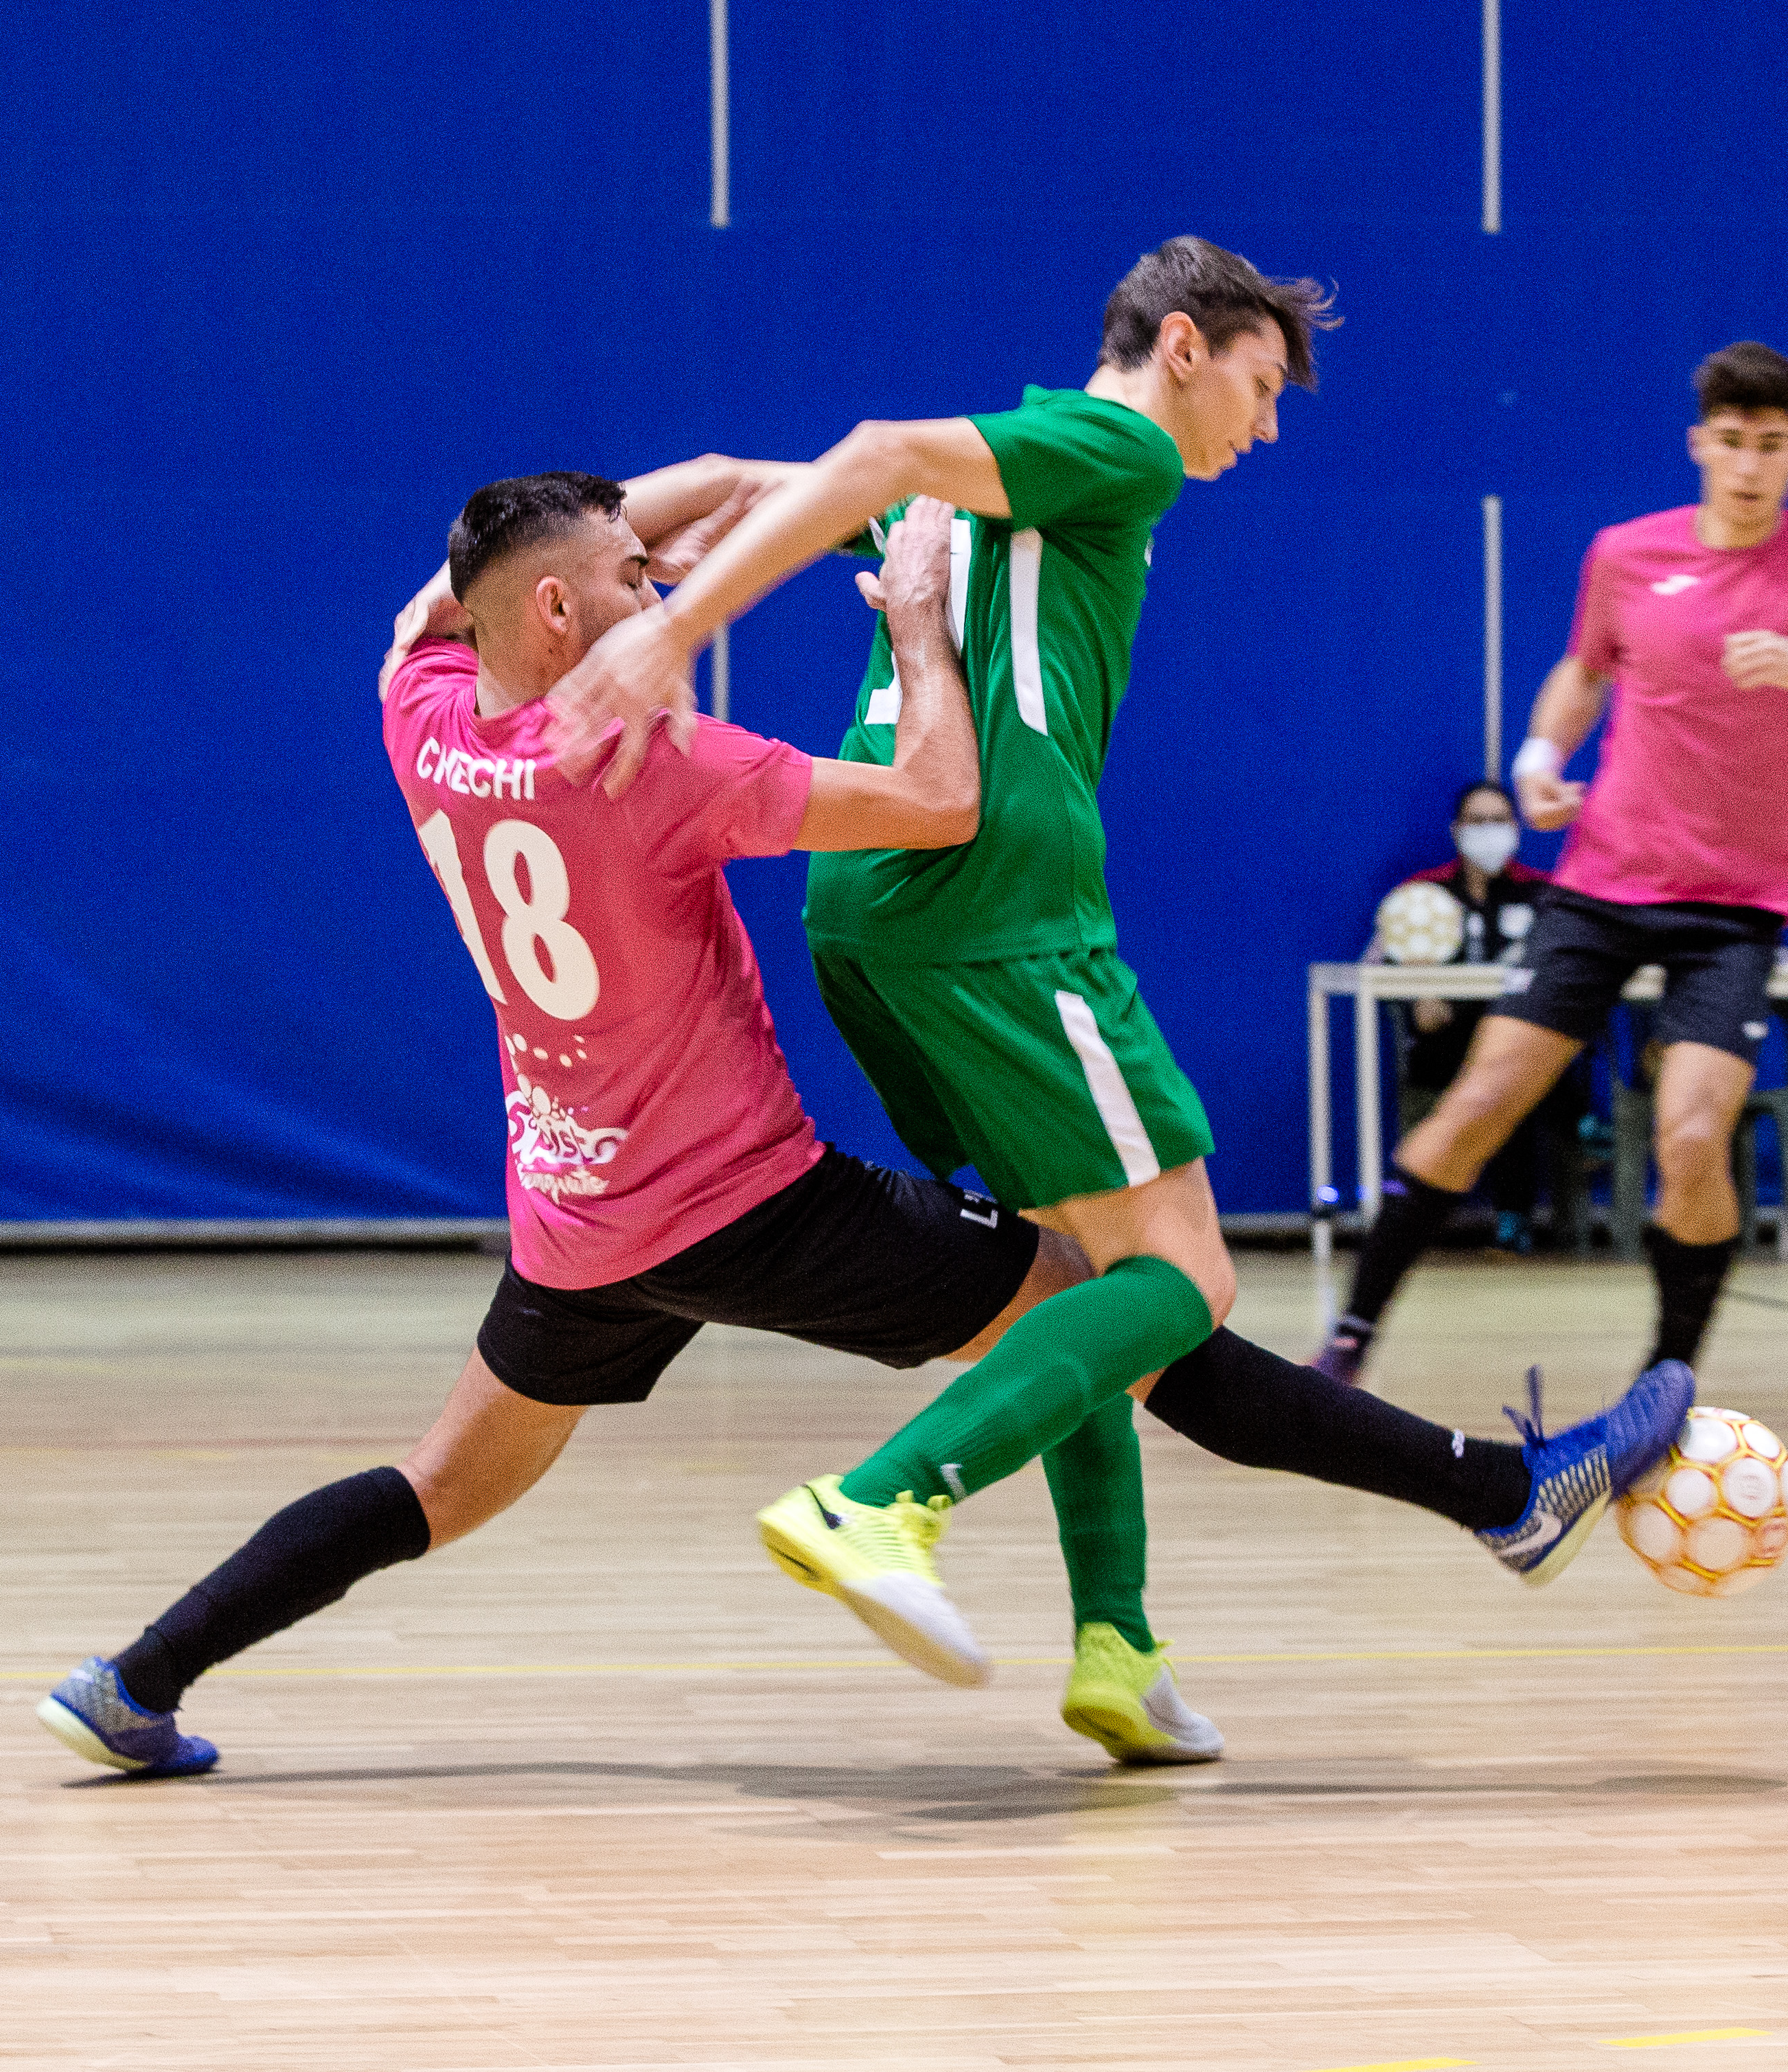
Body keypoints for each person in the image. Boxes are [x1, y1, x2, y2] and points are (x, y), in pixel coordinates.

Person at [538, 238, 1693, 1678]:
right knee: (1182, 1280)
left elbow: (727, 479)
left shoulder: (990, 483)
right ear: (1185, 349)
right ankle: (882, 1503)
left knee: (1080, 1274)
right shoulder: (1114, 451)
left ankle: (1118, 1647)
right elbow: (869, 449)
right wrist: (675, 639)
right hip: (1003, 911)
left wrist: (457, 599)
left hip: (869, 913)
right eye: (1259, 388)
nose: (1261, 430)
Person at [38, 473, 1204, 1779]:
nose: (659, 599)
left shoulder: (418, 716)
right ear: (551, 605)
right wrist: (919, 620)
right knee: (1084, 1302)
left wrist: (737, 504)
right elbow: (939, 797)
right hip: (746, 1202)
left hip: (578, 1222)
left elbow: (440, 607)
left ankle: (133, 1678)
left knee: (440, 1488)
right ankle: (1127, 1621)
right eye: (631, 580)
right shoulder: (648, 760)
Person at [1314, 341, 1788, 1386]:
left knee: (1691, 1137)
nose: (1747, 466)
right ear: (1698, 444)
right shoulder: (1625, 554)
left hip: (1735, 909)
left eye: (1770, 447)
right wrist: (1535, 755)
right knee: (1476, 1103)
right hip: (1601, 884)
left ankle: (1665, 1379)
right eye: (1731, 443)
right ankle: (1347, 1342)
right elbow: (1582, 669)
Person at [1361, 779, 1581, 1258]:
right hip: (1444, 1040)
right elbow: (1374, 968)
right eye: (1477, 822)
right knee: (1492, 1069)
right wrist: (1416, 993)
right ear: (1456, 830)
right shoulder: (1421, 895)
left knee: (1516, 1065)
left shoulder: (1543, 895)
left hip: (1519, 1035)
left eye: (1500, 820)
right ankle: (1415, 1223)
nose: (1489, 832)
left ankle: (1514, 1217)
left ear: (1517, 829)